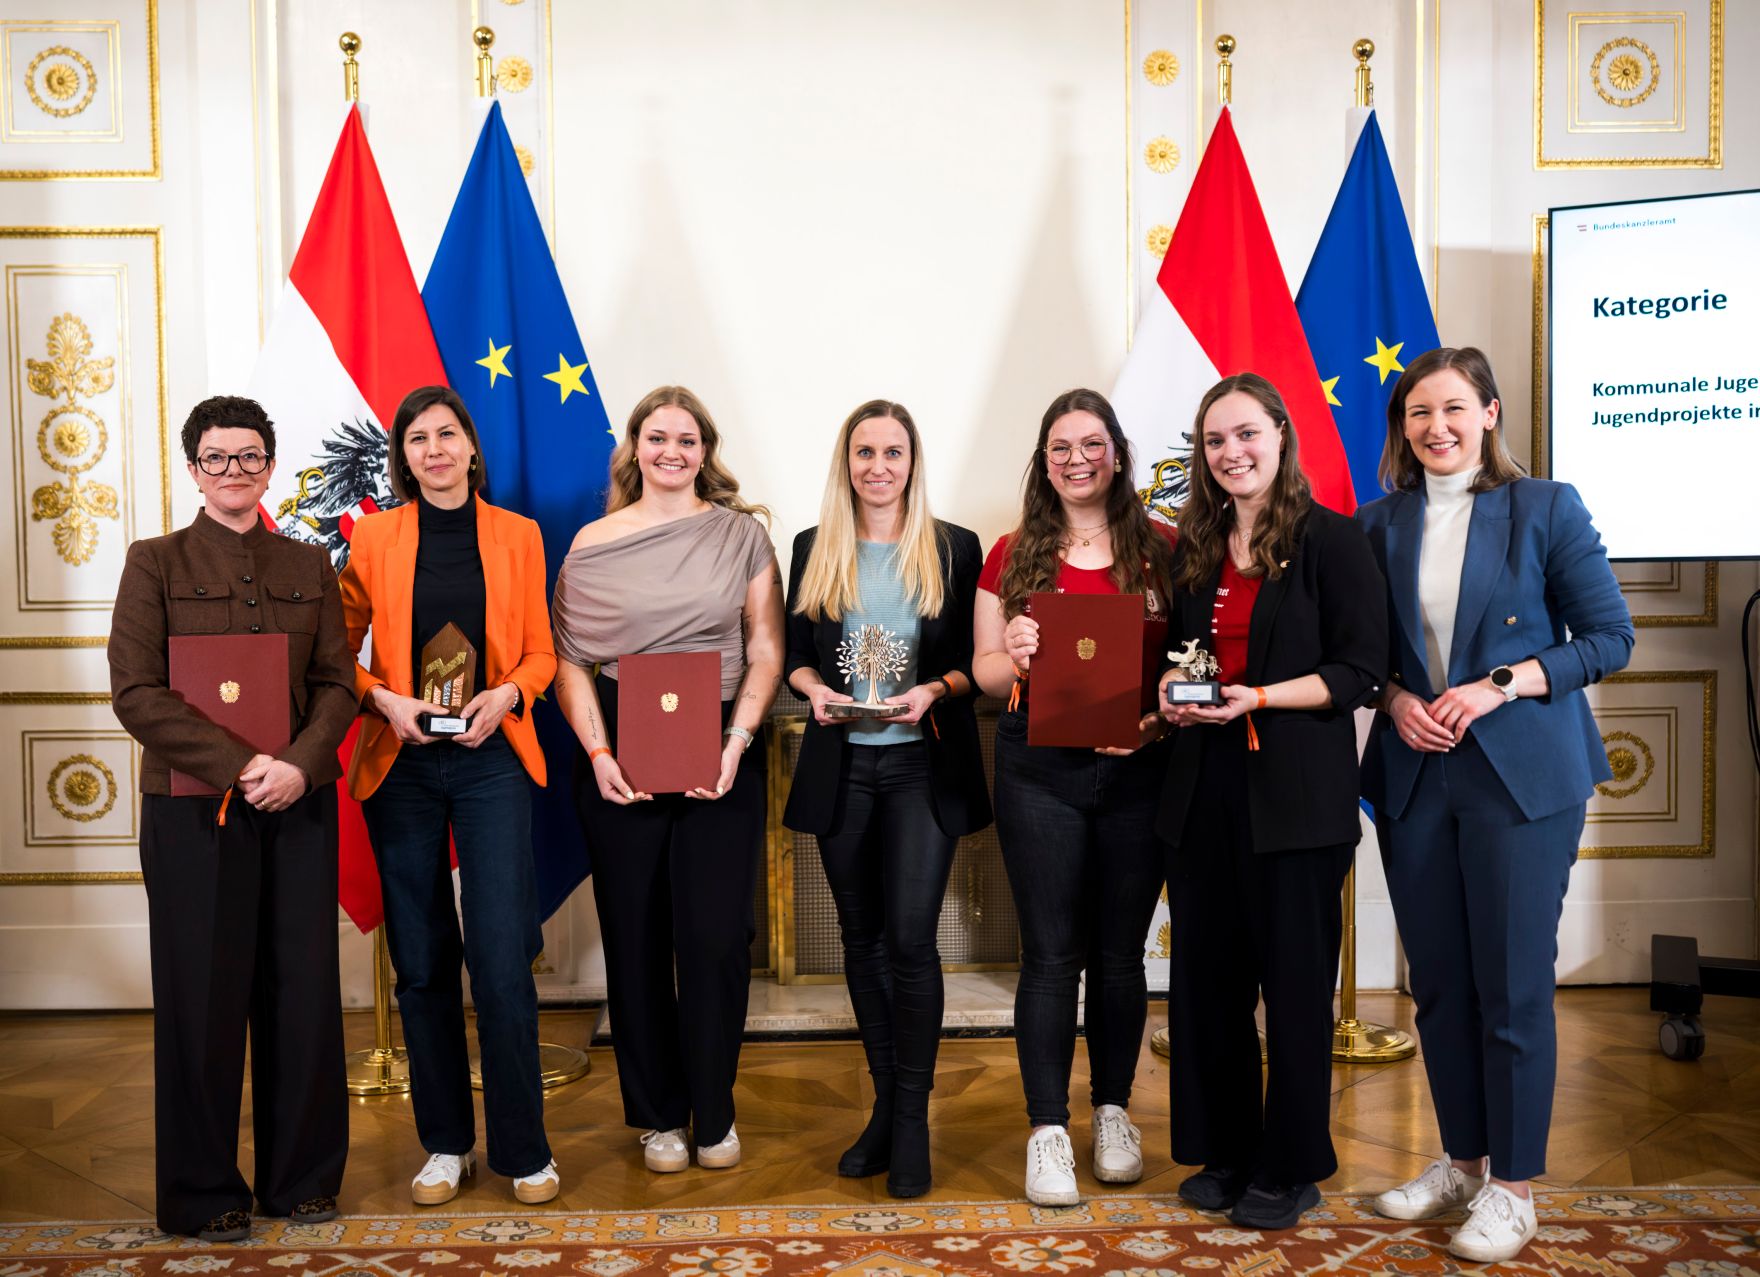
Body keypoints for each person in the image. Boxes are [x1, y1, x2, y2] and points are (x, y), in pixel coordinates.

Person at [1358, 347, 1632, 1263]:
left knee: (1512, 989)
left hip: (1522, 778)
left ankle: (1515, 1188)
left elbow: (1608, 637)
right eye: (1417, 413)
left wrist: (1502, 683)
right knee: (1437, 987)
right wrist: (1395, 700)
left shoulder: (1545, 507)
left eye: (1453, 409)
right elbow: (1373, 661)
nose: (1435, 427)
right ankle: (1463, 1163)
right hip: (1415, 776)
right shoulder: (1376, 523)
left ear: (1490, 412)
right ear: (1401, 428)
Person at [108, 396, 354, 1241]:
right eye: (217, 458)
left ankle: (304, 1178)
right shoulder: (153, 563)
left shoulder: (309, 562)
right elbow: (135, 691)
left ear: (270, 465)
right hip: (191, 811)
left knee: (302, 991)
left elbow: (337, 684)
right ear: (193, 469)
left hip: (299, 803)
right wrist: (243, 765)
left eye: (250, 456)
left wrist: (298, 766)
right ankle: (203, 1190)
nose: (235, 472)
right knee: (201, 996)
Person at [1153, 374, 1387, 1231]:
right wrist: (1174, 691)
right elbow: (1179, 658)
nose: (1231, 453)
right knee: (1209, 988)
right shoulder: (1194, 545)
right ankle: (1227, 1150)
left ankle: (1290, 1167)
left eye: (1245, 434)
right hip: (1202, 794)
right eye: (1214, 441)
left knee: (1291, 991)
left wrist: (1260, 696)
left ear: (1282, 437)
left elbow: (1361, 670)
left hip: (1296, 798)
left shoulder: (1333, 539)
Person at [338, 385, 560, 1206]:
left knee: (501, 956)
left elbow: (538, 652)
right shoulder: (375, 537)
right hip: (401, 761)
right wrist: (381, 700)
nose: (433, 449)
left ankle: (524, 1149)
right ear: (403, 456)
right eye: (417, 438)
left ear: (472, 446)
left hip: (491, 755)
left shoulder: (519, 535)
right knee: (423, 962)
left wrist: (506, 696)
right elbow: (336, 647)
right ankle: (444, 1143)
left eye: (447, 433)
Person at [552, 385, 783, 1174]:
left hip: (720, 740)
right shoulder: (590, 542)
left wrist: (737, 740)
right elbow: (570, 661)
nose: (673, 451)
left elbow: (766, 648)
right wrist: (599, 754)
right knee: (637, 936)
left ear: (705, 450)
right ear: (635, 447)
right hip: (620, 743)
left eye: (688, 439)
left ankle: (713, 1109)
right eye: (658, 437)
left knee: (717, 938)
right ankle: (657, 1117)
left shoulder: (741, 537)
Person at [971, 387, 1177, 1206]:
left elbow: (1191, 668)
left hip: (1141, 764)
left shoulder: (1165, 546)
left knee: (1121, 952)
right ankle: (1048, 1128)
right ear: (1043, 461)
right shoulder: (1011, 552)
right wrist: (1013, 650)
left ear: (1117, 453)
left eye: (1091, 444)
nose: (1077, 459)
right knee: (1051, 952)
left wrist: (1156, 725)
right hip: (1037, 769)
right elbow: (985, 672)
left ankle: (1113, 1110)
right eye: (1060, 447)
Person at [783, 399, 992, 1198]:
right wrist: (818, 692)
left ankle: (912, 1119)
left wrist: (934, 689)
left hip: (920, 765)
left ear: (913, 461)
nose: (878, 466)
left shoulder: (953, 547)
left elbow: (982, 661)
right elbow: (798, 657)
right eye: (864, 452)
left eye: (893, 452)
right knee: (859, 938)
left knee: (910, 941)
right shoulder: (813, 547)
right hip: (844, 762)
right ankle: (883, 1105)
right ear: (847, 461)